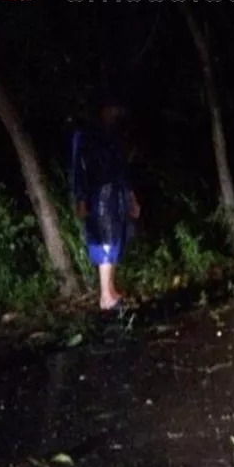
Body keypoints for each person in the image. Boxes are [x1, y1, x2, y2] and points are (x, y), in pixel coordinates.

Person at [70, 101, 140, 311]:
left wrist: (130, 197)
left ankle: (110, 289)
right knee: (106, 240)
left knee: (117, 238)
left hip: (114, 193)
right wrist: (81, 198)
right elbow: (78, 169)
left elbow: (121, 170)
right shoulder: (86, 136)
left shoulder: (113, 137)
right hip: (98, 195)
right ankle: (106, 296)